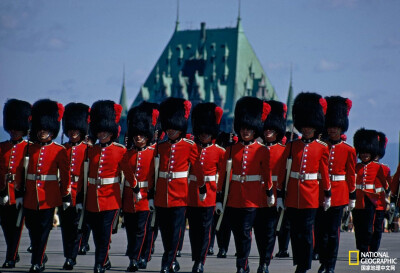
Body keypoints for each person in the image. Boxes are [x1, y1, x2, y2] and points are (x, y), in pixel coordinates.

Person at [76, 100, 137, 273]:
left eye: (105, 130)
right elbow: (84, 175)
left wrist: (135, 187)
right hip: (92, 199)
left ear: (111, 131)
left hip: (111, 198)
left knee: (105, 233)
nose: (102, 134)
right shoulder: (91, 150)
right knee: (96, 234)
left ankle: (99, 263)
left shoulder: (120, 150)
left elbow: (128, 172)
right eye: (100, 130)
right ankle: (105, 258)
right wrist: (80, 196)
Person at [276, 92, 331, 273]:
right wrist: (280, 194)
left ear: (315, 127)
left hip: (311, 196)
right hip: (293, 196)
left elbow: (324, 173)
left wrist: (327, 193)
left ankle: (303, 265)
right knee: (295, 233)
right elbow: (283, 170)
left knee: (307, 233)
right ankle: (299, 261)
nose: (306, 129)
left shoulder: (322, 148)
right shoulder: (292, 146)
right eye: (304, 126)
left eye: (310, 127)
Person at [217, 96, 273, 273]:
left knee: (259, 234)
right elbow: (223, 176)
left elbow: (266, 174)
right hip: (234, 198)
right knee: (241, 235)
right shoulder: (231, 149)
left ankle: (261, 263)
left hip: (254, 198)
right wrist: (219, 197)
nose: (245, 131)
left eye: (249, 128)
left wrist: (270, 193)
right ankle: (243, 264)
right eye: (243, 128)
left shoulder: (262, 150)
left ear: (255, 129)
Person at [148, 97, 197, 273]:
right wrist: (150, 195)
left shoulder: (190, 146)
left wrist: (199, 190)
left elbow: (196, 170)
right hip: (162, 196)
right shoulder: (160, 147)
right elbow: (152, 173)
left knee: (176, 232)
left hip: (180, 195)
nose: (169, 130)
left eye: (173, 127)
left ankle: (167, 262)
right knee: (166, 233)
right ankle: (173, 258)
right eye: (167, 127)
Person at [24, 99, 71, 273]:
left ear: (52, 130)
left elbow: (65, 176)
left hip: (49, 197)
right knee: (32, 229)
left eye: (46, 129)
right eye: (40, 128)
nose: (42, 132)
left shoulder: (59, 150)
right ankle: (39, 255)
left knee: (43, 231)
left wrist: (65, 195)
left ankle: (37, 262)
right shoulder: (28, 149)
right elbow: (23, 172)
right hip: (30, 196)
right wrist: (20, 192)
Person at [315, 96, 356, 273]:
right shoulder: (320, 146)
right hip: (319, 193)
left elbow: (351, 174)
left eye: (336, 127)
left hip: (339, 193)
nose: (332, 130)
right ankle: (323, 262)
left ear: (341, 128)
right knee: (321, 232)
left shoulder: (348, 150)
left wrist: (352, 196)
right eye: (330, 126)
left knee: (333, 232)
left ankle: (330, 265)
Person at [187, 103, 225, 273]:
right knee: (194, 230)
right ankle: (196, 256)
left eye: (207, 132)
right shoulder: (191, 148)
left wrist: (218, 199)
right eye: (201, 132)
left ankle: (200, 261)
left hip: (209, 194)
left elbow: (222, 177)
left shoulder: (219, 152)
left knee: (205, 229)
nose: (204, 135)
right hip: (191, 193)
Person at [122, 102, 158, 272]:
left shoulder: (153, 153)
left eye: (141, 135)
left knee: (141, 229)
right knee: (130, 229)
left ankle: (136, 258)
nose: (138, 138)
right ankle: (137, 254)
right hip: (130, 197)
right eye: (136, 135)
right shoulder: (127, 154)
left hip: (145, 196)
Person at [254, 100, 287, 273]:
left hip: (274, 193)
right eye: (266, 129)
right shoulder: (257, 149)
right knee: (258, 231)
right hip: (256, 194)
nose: (267, 132)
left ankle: (264, 262)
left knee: (269, 231)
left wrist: (281, 195)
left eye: (271, 130)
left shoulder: (283, 150)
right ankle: (262, 257)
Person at [0, 99, 31, 269]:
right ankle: (14, 252)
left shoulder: (29, 148)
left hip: (20, 193)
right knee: (6, 226)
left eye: (17, 128)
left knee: (17, 227)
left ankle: (10, 257)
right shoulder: (2, 147)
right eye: (11, 128)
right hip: (4, 193)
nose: (13, 132)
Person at [59, 102, 90, 270]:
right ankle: (68, 254)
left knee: (77, 226)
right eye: (70, 130)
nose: (73, 133)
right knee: (66, 226)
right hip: (64, 193)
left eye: (76, 130)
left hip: (80, 192)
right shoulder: (62, 149)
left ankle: (71, 257)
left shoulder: (88, 150)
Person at [352, 128, 389, 255]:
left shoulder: (379, 167)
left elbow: (386, 184)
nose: (364, 155)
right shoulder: (356, 167)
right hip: (358, 200)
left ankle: (369, 250)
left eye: (367, 152)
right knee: (359, 227)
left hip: (372, 201)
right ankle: (362, 248)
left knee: (371, 228)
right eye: (362, 152)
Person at [370, 131, 391, 251]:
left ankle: (373, 250)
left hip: (379, 202)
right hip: (366, 201)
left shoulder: (385, 168)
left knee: (378, 228)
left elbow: (388, 187)